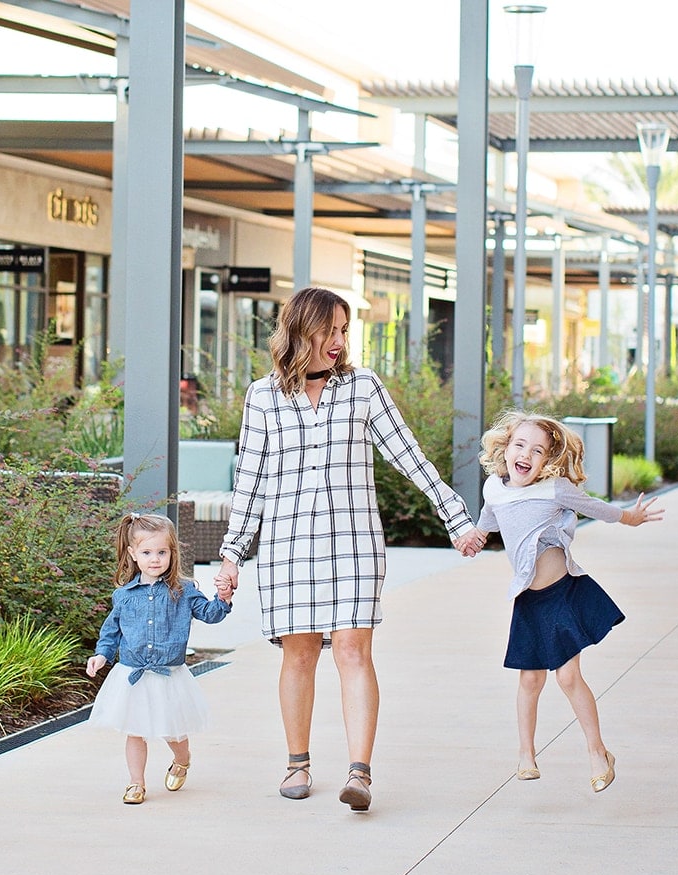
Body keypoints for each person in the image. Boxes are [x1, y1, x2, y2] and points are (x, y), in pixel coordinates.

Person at [216, 286, 483, 812]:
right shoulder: (263, 396)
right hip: (287, 543)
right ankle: (297, 762)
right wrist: (231, 554)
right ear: (300, 331)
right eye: (329, 330)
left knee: (352, 650)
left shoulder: (362, 388)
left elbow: (409, 456)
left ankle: (359, 773)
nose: (338, 341)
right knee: (298, 656)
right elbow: (250, 480)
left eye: (344, 330)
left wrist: (455, 518)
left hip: (354, 541)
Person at [456, 410, 664, 792]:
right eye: (520, 445)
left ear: (547, 461)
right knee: (530, 680)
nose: (526, 455)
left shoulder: (554, 490)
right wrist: (472, 539)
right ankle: (525, 754)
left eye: (537, 451)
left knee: (567, 676)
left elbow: (598, 508)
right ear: (505, 447)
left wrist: (631, 518)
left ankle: (598, 752)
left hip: (563, 593)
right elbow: (487, 524)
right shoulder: (494, 489)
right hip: (529, 600)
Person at [86, 512, 234, 805]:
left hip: (168, 675)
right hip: (133, 675)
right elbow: (111, 631)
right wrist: (101, 655)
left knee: (173, 731)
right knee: (135, 731)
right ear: (133, 554)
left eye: (162, 552)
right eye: (147, 552)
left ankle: (182, 759)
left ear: (171, 553)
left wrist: (223, 598)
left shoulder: (184, 591)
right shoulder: (124, 595)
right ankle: (136, 783)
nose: (155, 559)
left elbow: (210, 614)